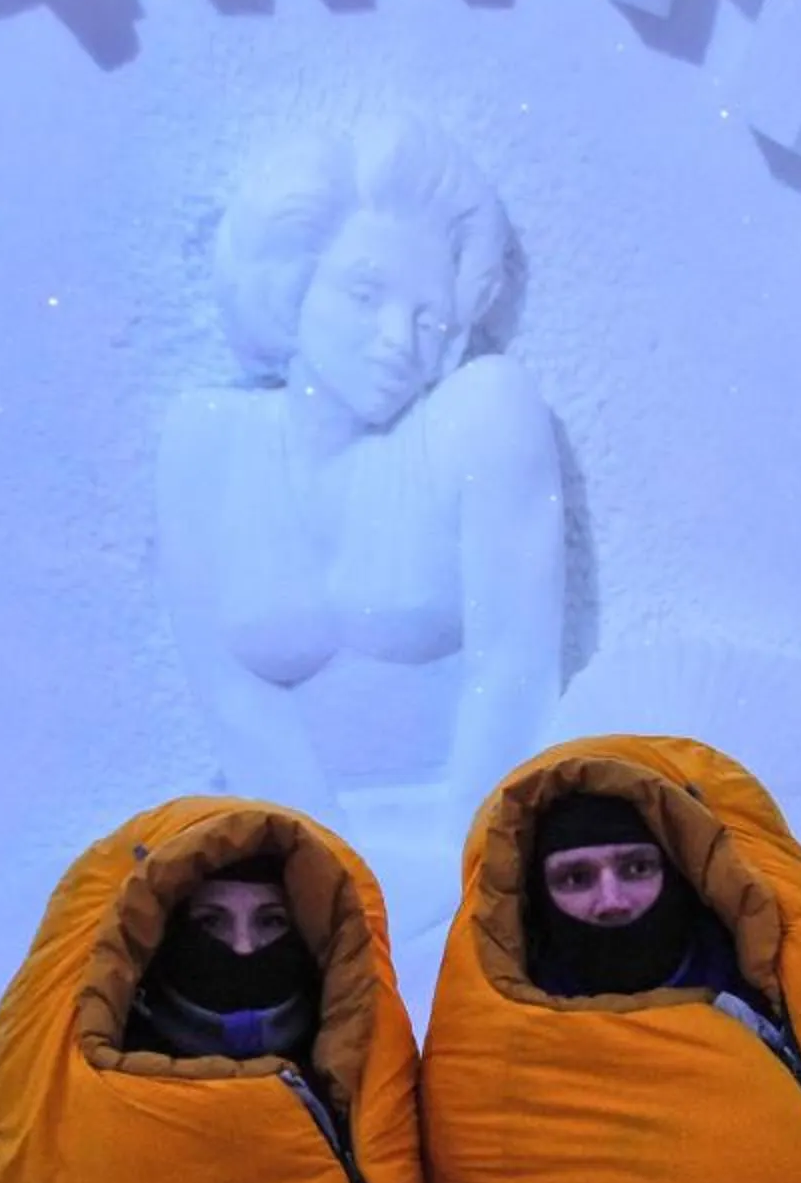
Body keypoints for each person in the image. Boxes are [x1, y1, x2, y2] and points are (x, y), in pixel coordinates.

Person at [157, 116, 566, 938]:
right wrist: (324, 890)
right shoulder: (205, 440)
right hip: (284, 879)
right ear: (292, 279)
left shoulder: (481, 416)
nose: (396, 343)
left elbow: (515, 671)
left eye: (430, 321)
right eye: (365, 293)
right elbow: (231, 695)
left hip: (466, 863)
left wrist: (462, 886)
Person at [524, 792, 751, 1004]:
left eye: (638, 868)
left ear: (678, 874)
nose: (612, 902)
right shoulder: (502, 1026)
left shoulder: (768, 1002)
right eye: (576, 878)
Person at [122, 854, 321, 1066]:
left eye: (271, 921)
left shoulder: (348, 1078)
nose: (243, 947)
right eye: (211, 921)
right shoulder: (101, 1074)